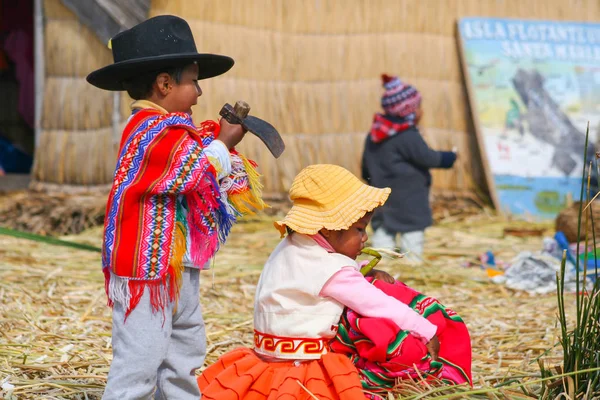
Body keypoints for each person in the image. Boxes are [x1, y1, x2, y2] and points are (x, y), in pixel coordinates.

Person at [86, 15, 266, 399]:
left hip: (179, 266)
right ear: (165, 84)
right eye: (193, 81)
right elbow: (192, 171)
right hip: (147, 275)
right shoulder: (150, 131)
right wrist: (221, 143)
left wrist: (220, 142)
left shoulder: (177, 130)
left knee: (184, 353)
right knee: (140, 361)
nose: (200, 92)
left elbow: (205, 164)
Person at [197, 164, 471, 399]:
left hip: (265, 357)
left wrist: (361, 270)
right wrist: (427, 330)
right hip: (304, 365)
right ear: (328, 227)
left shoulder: (291, 246)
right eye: (360, 229)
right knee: (387, 337)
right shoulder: (331, 268)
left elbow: (322, 279)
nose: (365, 239)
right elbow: (380, 305)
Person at [362, 74, 457, 262]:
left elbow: (365, 168)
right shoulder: (407, 136)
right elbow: (427, 157)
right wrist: (450, 157)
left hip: (381, 199)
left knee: (382, 236)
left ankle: (380, 269)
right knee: (412, 238)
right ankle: (411, 268)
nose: (422, 111)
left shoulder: (374, 135)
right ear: (410, 110)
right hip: (408, 202)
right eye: (419, 106)